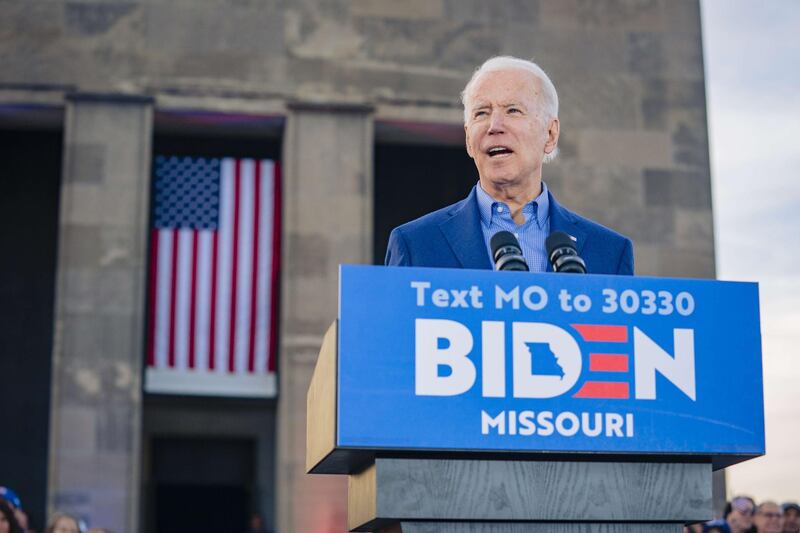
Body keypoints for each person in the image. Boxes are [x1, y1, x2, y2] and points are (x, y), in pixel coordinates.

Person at [385, 55, 633, 274]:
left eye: (513, 110)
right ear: (469, 141)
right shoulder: (415, 244)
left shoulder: (610, 252)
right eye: (481, 113)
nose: (494, 126)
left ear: (550, 134)